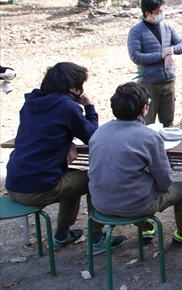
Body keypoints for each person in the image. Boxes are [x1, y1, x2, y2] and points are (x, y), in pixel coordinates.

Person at [5, 62, 124, 253]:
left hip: (14, 184)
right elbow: (93, 136)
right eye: (80, 85)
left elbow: (43, 131)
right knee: (94, 177)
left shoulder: (31, 103)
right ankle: (96, 238)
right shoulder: (67, 107)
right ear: (71, 87)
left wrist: (66, 141)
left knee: (72, 178)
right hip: (38, 189)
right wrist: (90, 107)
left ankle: (62, 234)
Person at [88, 82, 182, 254]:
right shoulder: (149, 136)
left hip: (100, 203)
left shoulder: (99, 132)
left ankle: (145, 226)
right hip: (136, 205)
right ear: (143, 109)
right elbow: (164, 181)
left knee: (130, 183)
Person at [127, 0, 182, 127]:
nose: (161, 15)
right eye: (157, 12)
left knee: (168, 121)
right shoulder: (136, 31)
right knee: (148, 121)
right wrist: (161, 55)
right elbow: (135, 56)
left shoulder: (167, 28)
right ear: (147, 13)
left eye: (162, 11)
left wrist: (171, 50)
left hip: (169, 81)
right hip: (149, 82)